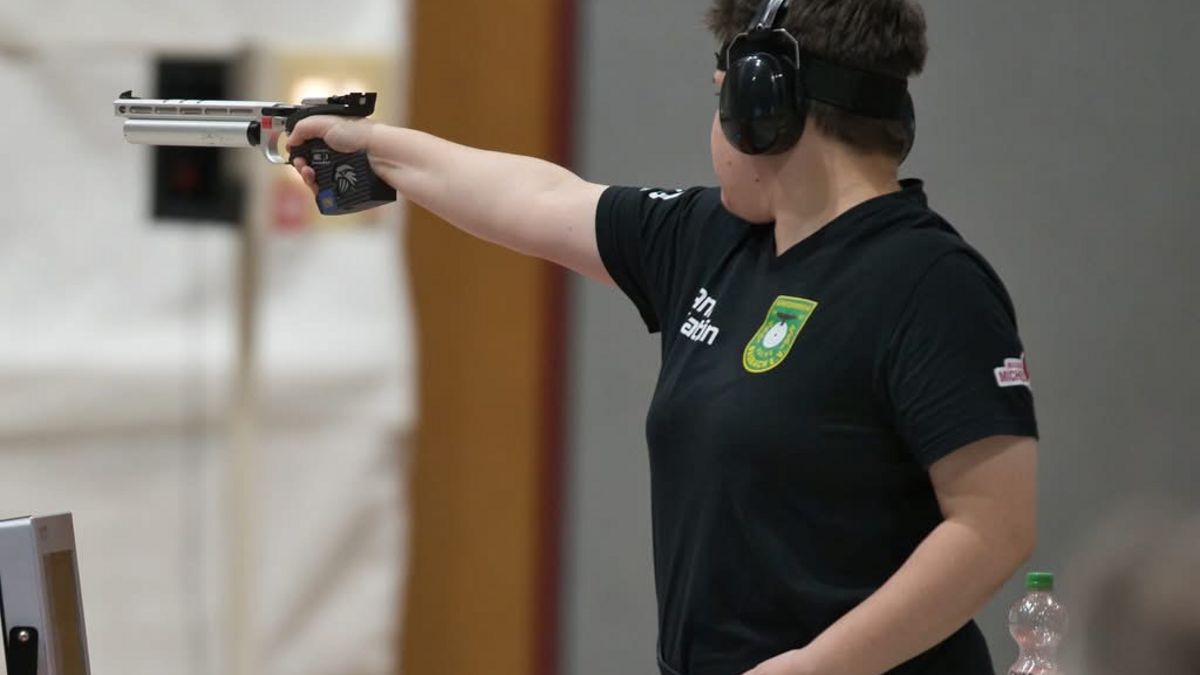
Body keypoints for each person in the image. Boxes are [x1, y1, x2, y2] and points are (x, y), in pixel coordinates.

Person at [288, 0, 1040, 673]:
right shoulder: (713, 238)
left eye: (722, 101)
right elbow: (541, 197)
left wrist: (818, 668)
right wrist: (377, 148)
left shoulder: (931, 283)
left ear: (764, 101)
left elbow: (993, 526)